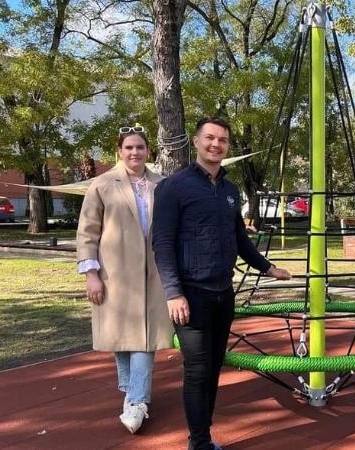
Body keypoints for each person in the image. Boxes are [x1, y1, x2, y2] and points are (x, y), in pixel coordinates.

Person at [152, 116, 291, 450]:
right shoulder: (173, 187)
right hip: (190, 295)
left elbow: (239, 237)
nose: (216, 145)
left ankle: (205, 434)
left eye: (222, 140)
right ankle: (198, 442)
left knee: (214, 367)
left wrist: (266, 266)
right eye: (210, 138)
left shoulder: (230, 191)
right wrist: (173, 293)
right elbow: (162, 243)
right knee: (198, 369)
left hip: (222, 293)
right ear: (197, 142)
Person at [76, 127, 174, 434]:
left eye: (141, 147)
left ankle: (136, 401)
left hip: (155, 273)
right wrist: (91, 274)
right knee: (123, 335)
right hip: (115, 273)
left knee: (145, 338)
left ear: (149, 151)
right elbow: (87, 231)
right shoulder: (103, 184)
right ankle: (130, 388)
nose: (135, 152)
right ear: (120, 151)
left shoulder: (162, 184)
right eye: (129, 147)